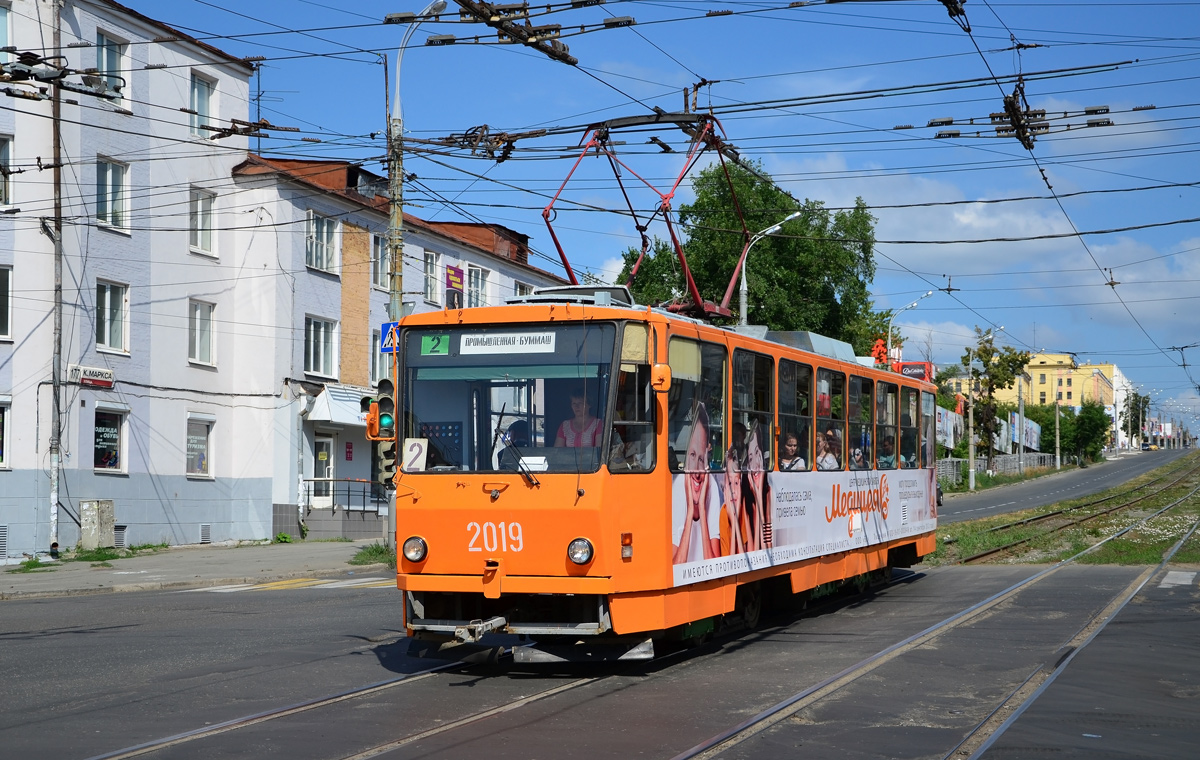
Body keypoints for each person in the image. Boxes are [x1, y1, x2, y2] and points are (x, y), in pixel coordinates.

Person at [672, 404, 721, 563]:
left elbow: (715, 567)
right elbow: (674, 567)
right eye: (693, 455)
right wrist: (689, 514)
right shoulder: (678, 487)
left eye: (701, 459)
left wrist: (701, 508)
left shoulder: (711, 487)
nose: (697, 472)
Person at [719, 448, 749, 556]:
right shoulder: (723, 513)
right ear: (724, 489)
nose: (733, 490)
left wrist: (735, 520)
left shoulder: (741, 509)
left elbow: (743, 558)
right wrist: (733, 519)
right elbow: (730, 562)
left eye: (736, 483)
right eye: (729, 484)